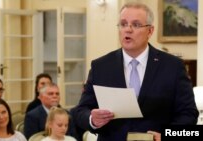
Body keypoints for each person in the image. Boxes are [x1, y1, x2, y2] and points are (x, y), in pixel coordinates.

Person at [71, 2, 199, 141]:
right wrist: (92, 119)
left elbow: (189, 114)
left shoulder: (173, 66)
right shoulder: (101, 66)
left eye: (136, 25)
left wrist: (166, 136)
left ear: (150, 31)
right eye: (123, 24)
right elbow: (80, 111)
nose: (128, 29)